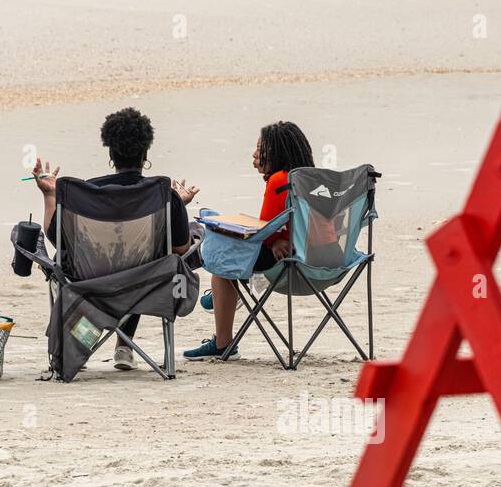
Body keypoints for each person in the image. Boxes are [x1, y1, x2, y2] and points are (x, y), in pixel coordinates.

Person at [31, 107, 198, 371]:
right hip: (144, 285)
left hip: (87, 282)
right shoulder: (164, 195)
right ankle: (124, 344)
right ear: (145, 155)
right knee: (142, 262)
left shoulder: (84, 192)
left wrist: (49, 195)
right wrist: (179, 206)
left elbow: (56, 238)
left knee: (70, 264)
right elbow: (180, 248)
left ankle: (83, 341)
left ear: (110, 153)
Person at [185, 120, 313, 361]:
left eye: (259, 148)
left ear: (276, 152)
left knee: (221, 255)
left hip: (284, 259)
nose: (254, 154)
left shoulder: (280, 180)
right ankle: (222, 293)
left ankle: (223, 342)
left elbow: (264, 232)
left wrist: (273, 241)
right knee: (228, 248)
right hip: (318, 257)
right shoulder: (308, 179)